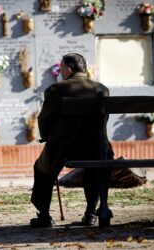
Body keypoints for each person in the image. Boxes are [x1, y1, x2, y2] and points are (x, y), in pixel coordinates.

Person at [30, 53, 114, 228]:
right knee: (96, 163)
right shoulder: (102, 89)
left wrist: (47, 137)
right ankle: (91, 213)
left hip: (63, 148)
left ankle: (44, 215)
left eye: (61, 69)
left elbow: (44, 119)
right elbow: (104, 120)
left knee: (41, 168)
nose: (60, 72)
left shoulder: (56, 89)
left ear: (68, 70)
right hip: (96, 147)